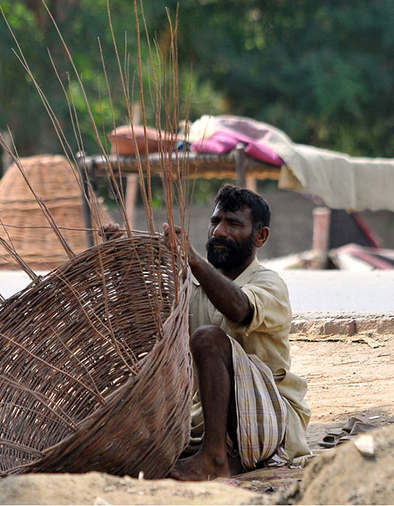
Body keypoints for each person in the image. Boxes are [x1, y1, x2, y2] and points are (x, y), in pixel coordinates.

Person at [102, 184, 310, 481]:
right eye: (216, 222)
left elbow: (239, 309)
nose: (219, 232)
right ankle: (226, 458)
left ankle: (214, 458)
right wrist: (119, 262)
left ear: (260, 237)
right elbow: (146, 324)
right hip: (210, 419)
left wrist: (194, 260)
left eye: (234, 224)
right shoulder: (191, 284)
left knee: (208, 339)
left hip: (271, 419)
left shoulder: (269, 284)